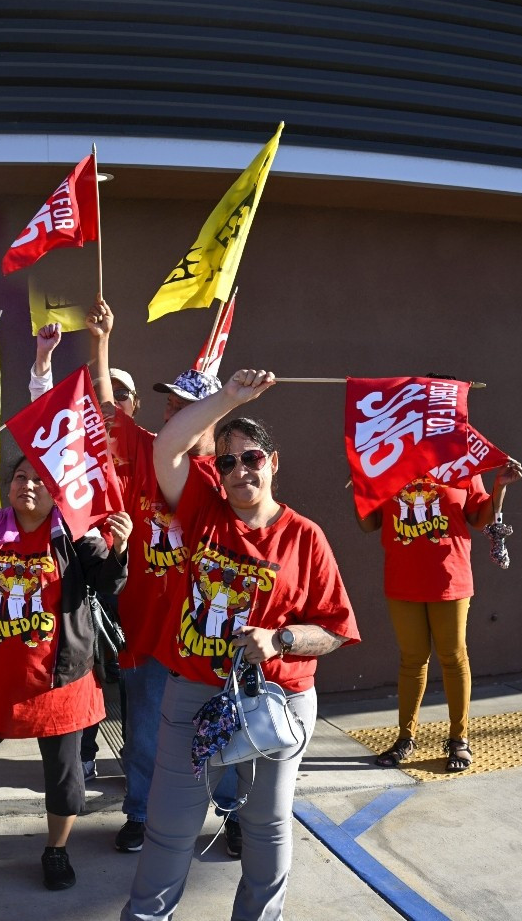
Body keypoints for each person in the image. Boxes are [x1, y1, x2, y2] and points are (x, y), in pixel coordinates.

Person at [123, 370, 360, 921]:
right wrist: (229, 397)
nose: (238, 471)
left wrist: (279, 639)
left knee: (265, 827)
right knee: (170, 824)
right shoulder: (202, 506)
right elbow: (170, 447)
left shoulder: (305, 536)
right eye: (227, 461)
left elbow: (335, 629)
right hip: (194, 692)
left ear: (273, 464)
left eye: (251, 458)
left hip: (275, 701)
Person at [78, 298, 242, 854]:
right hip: (148, 622)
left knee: (222, 727)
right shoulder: (146, 452)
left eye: (187, 408)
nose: (173, 415)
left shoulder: (230, 482)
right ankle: (141, 812)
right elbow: (104, 409)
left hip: (208, 631)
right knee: (145, 725)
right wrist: (102, 341)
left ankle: (235, 814)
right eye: (170, 407)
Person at [0, 455, 131, 890]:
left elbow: (107, 582)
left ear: (56, 492)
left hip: (59, 682)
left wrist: (120, 549)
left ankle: (56, 850)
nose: (27, 486)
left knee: (65, 775)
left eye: (38, 480)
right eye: (19, 478)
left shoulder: (74, 530)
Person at [359, 428, 522, 773]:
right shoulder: (387, 461)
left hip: (450, 579)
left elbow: (480, 518)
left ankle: (458, 740)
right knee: (412, 660)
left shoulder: (462, 463)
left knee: (453, 657)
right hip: (403, 581)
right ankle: (405, 739)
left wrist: (500, 485)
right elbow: (370, 523)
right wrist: (362, 484)